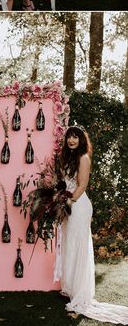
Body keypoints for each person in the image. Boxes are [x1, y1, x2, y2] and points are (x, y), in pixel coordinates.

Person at [54, 125, 128, 324]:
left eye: (75, 137)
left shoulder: (83, 158)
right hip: (68, 206)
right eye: (69, 136)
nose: (71, 140)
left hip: (78, 206)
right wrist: (60, 199)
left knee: (78, 247)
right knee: (69, 246)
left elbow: (82, 185)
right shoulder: (67, 158)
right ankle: (70, 287)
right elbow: (65, 183)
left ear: (81, 140)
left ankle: (80, 293)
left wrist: (68, 202)